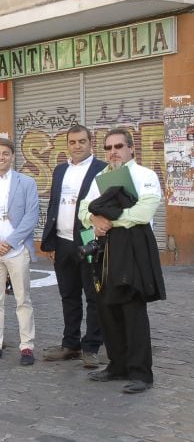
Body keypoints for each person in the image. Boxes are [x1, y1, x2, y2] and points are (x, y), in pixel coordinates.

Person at [78, 128, 166, 394]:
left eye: (118, 146)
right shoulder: (100, 178)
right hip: (105, 249)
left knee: (132, 309)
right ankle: (117, 365)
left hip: (134, 247)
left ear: (131, 149)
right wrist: (94, 220)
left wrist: (110, 221)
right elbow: (83, 208)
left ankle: (141, 373)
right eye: (108, 148)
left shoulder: (145, 175)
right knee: (106, 307)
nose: (113, 152)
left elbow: (144, 210)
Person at [41, 125, 106, 368]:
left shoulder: (102, 169)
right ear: (66, 144)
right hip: (62, 241)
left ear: (91, 142)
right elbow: (53, 206)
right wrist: (49, 241)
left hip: (89, 240)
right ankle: (71, 344)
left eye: (81, 141)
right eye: (72, 142)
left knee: (93, 296)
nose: (77, 146)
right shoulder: (60, 170)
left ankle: (91, 347)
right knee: (68, 295)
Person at [0, 138, 39, 366]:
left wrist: (10, 242)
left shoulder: (27, 183)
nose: (1, 157)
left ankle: (27, 346)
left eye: (6, 153)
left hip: (17, 250)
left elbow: (31, 216)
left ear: (12, 156)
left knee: (23, 299)